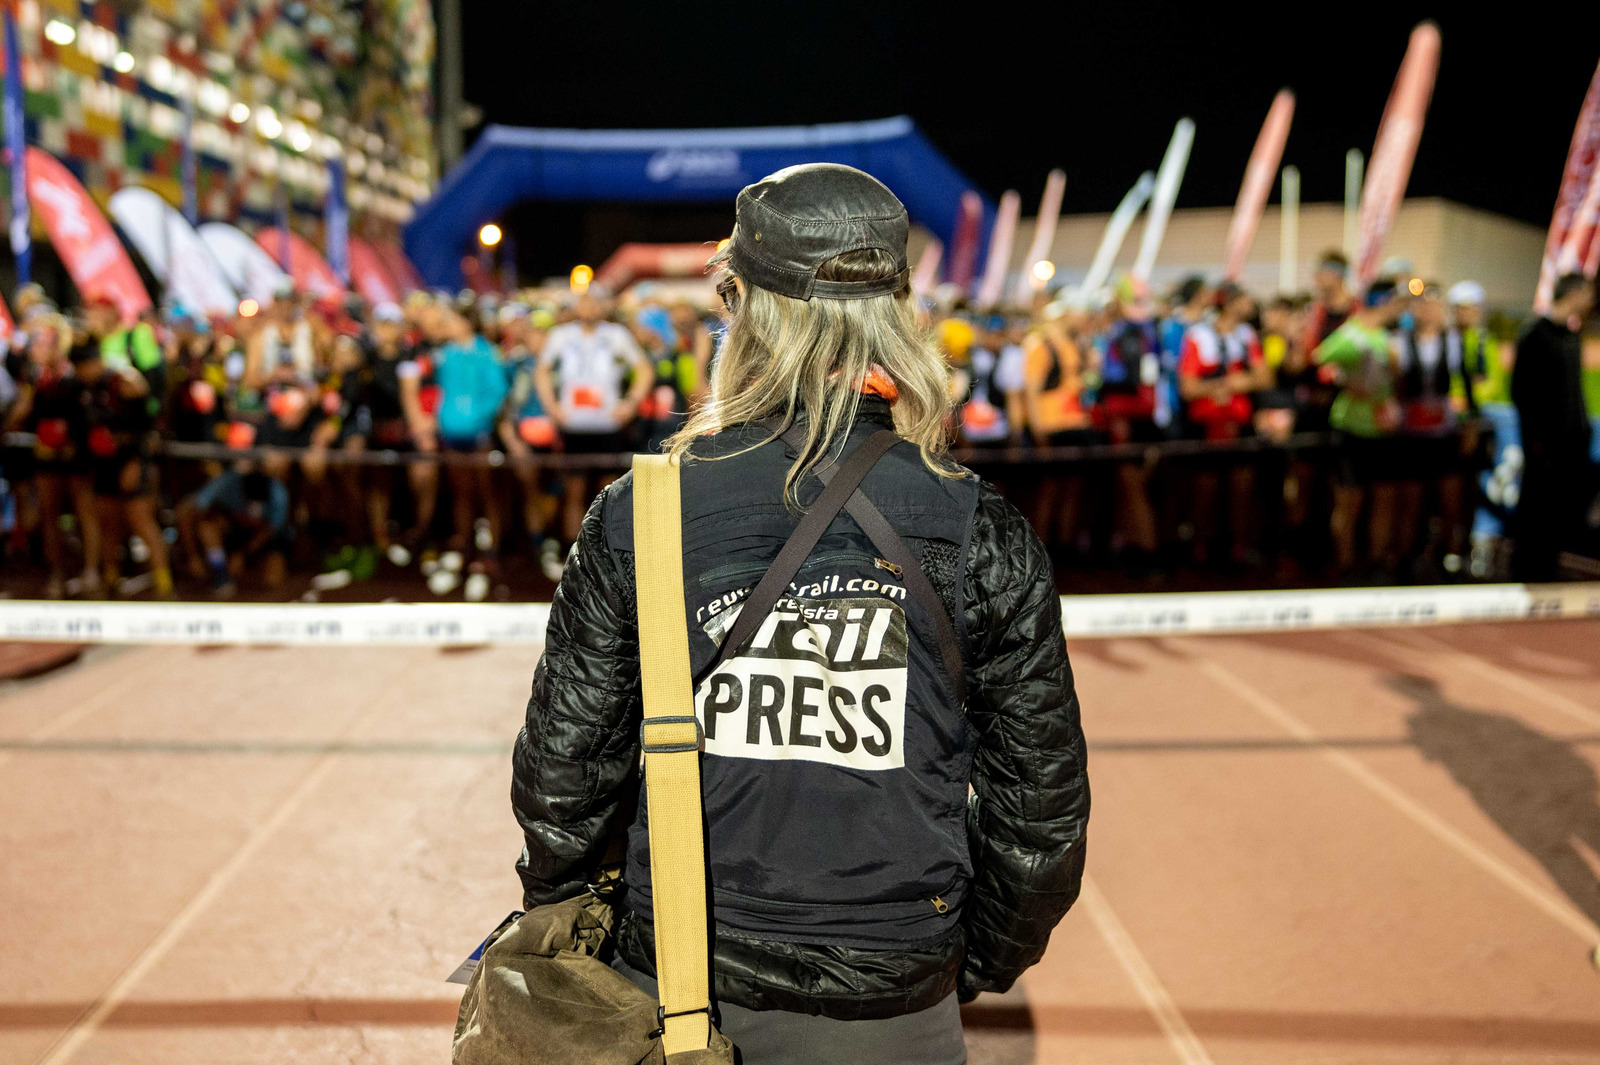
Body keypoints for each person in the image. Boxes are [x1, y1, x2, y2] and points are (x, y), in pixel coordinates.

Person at [510, 163, 1088, 1063]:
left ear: (743, 309)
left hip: (677, 995)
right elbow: (1041, 818)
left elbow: (563, 780)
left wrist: (589, 931)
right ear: (899, 313)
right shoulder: (980, 527)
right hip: (894, 1007)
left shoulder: (641, 511)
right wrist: (948, 966)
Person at [535, 291, 653, 546]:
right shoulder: (561, 335)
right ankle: (572, 550)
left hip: (607, 426)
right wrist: (552, 407)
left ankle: (606, 551)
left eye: (594, 302)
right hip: (573, 426)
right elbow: (542, 370)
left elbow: (644, 368)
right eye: (584, 301)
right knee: (574, 492)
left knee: (608, 493)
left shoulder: (616, 335)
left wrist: (630, 404)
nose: (589, 307)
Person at [1315, 278, 1407, 579]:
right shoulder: (1351, 333)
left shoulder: (1387, 336)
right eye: (1395, 302)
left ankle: (1377, 563)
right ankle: (1345, 566)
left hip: (1382, 428)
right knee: (1349, 500)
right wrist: (1345, 380)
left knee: (1383, 499)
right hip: (1351, 428)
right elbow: (1318, 362)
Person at [1511, 272, 1596, 581]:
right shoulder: (1535, 333)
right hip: (1544, 445)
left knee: (1561, 509)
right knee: (1536, 505)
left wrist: (1583, 430)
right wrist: (1535, 438)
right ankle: (1524, 568)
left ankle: (1548, 566)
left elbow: (1575, 393)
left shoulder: (1571, 337)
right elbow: (1521, 390)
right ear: (1573, 294)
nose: (1590, 302)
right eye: (1587, 295)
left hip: (1572, 443)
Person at [1177, 282, 1270, 564]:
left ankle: (1238, 546)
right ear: (1229, 303)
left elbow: (1265, 377)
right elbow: (1188, 386)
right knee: (1205, 489)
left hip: (1239, 423)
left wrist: (1236, 383)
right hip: (1207, 425)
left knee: (1242, 487)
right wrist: (1225, 385)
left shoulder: (1246, 335)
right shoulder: (1198, 336)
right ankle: (1202, 548)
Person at [177, 467, 292, 596]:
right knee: (207, 526)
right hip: (232, 534)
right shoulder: (227, 482)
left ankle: (245, 582)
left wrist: (243, 554)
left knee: (273, 579)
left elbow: (271, 532)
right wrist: (193, 556)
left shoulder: (278, 492)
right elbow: (187, 510)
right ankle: (220, 573)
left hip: (261, 540)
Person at [1448, 281, 1509, 406]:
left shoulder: (1485, 341)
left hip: (1487, 407)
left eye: (1467, 309)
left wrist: (1469, 399)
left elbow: (1494, 381)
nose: (1462, 313)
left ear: (1478, 311)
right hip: (1454, 406)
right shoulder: (1448, 339)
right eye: (1458, 308)